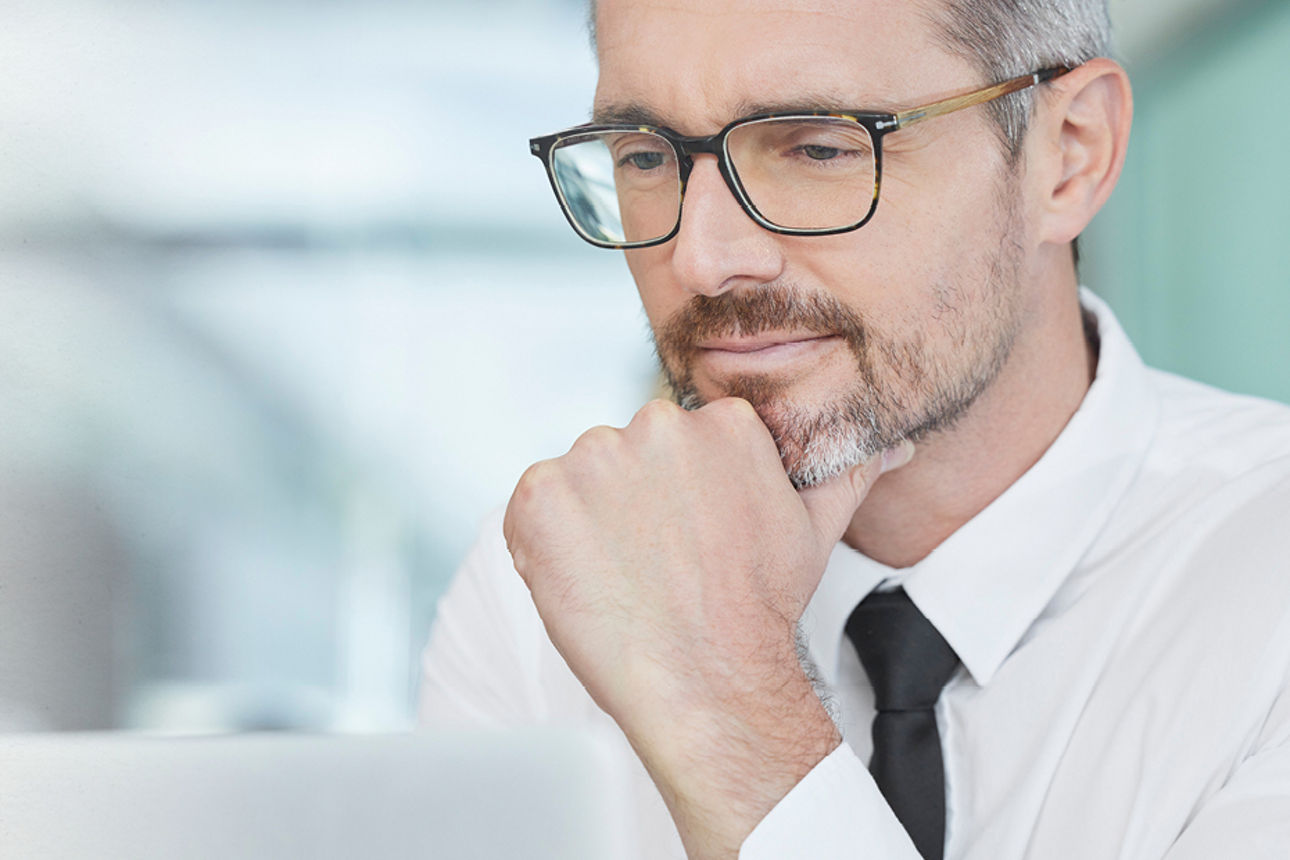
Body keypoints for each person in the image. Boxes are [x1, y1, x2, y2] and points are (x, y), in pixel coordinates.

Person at [419, 1, 1290, 857]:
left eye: (817, 146)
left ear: (1069, 155)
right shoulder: (543, 593)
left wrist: (732, 714)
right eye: (647, 157)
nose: (704, 258)